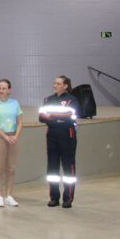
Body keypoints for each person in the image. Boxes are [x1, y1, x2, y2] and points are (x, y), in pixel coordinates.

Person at [39, 75, 80, 209]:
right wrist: (57, 118)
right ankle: (54, 198)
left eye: (58, 83)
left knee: (68, 166)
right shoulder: (48, 99)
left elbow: (71, 116)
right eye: (54, 83)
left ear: (65, 86)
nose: (55, 85)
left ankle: (67, 199)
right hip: (52, 134)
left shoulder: (72, 100)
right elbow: (41, 116)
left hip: (67, 135)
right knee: (52, 167)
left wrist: (52, 116)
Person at [0, 79, 23, 207]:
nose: (1, 90)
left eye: (4, 88)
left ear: (9, 90)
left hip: (13, 138)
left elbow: (20, 122)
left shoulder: (15, 103)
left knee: (11, 168)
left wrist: (15, 136)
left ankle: (9, 195)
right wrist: (5, 137)